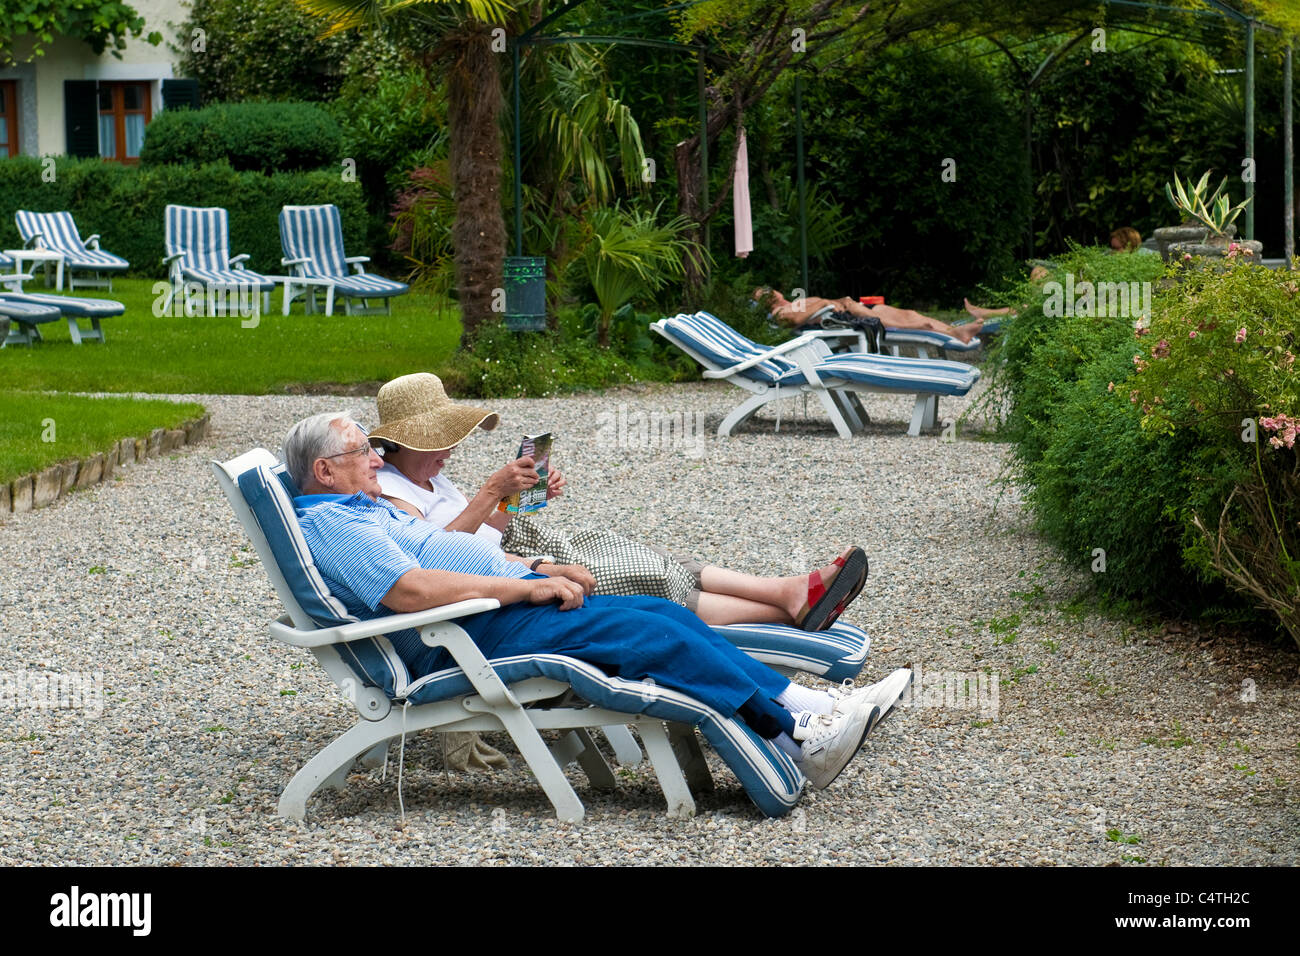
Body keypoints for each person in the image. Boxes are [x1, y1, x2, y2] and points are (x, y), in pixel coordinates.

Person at [282, 411, 913, 791]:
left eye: (371, 446)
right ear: (324, 472)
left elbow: (438, 555)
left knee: (660, 612)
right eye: (361, 451)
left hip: (487, 611)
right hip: (458, 637)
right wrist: (524, 586)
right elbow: (411, 589)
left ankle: (805, 706)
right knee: (646, 637)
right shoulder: (339, 525)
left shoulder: (359, 507)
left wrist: (532, 562)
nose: (373, 457)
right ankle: (799, 729)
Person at [367, 373, 868, 631]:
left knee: (651, 559)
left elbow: (483, 528)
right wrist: (492, 490)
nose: (449, 450)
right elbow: (433, 554)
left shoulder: (433, 479)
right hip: (507, 577)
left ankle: (789, 591)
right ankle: (789, 610)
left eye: (449, 438)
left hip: (517, 549)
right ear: (400, 443)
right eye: (438, 441)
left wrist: (519, 499)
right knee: (636, 576)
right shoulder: (389, 492)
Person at [757, 288, 984, 344]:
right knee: (908, 321)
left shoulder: (792, 302)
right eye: (764, 294)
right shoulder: (780, 311)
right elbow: (795, 320)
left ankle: (953, 331)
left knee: (908, 313)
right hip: (843, 320)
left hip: (848, 310)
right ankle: (950, 333)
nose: (771, 293)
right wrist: (827, 303)